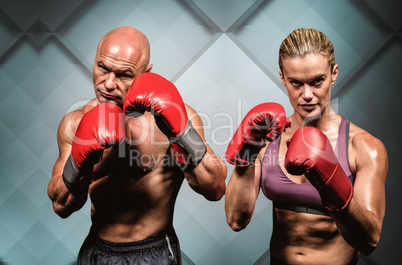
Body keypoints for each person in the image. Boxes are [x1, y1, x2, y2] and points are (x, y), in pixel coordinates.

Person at [47, 26, 227, 265]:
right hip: (97, 251)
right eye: (102, 68)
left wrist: (181, 133)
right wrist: (79, 161)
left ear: (146, 73)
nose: (108, 84)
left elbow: (214, 189)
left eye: (123, 74)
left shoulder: (175, 118)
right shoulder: (76, 122)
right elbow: (61, 206)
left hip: (154, 253)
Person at [224, 28, 388, 264]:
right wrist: (249, 149)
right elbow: (235, 220)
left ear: (334, 74)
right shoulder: (267, 137)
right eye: (296, 83)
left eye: (317, 82)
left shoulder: (364, 147)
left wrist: (332, 182)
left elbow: (369, 241)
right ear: (282, 78)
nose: (307, 94)